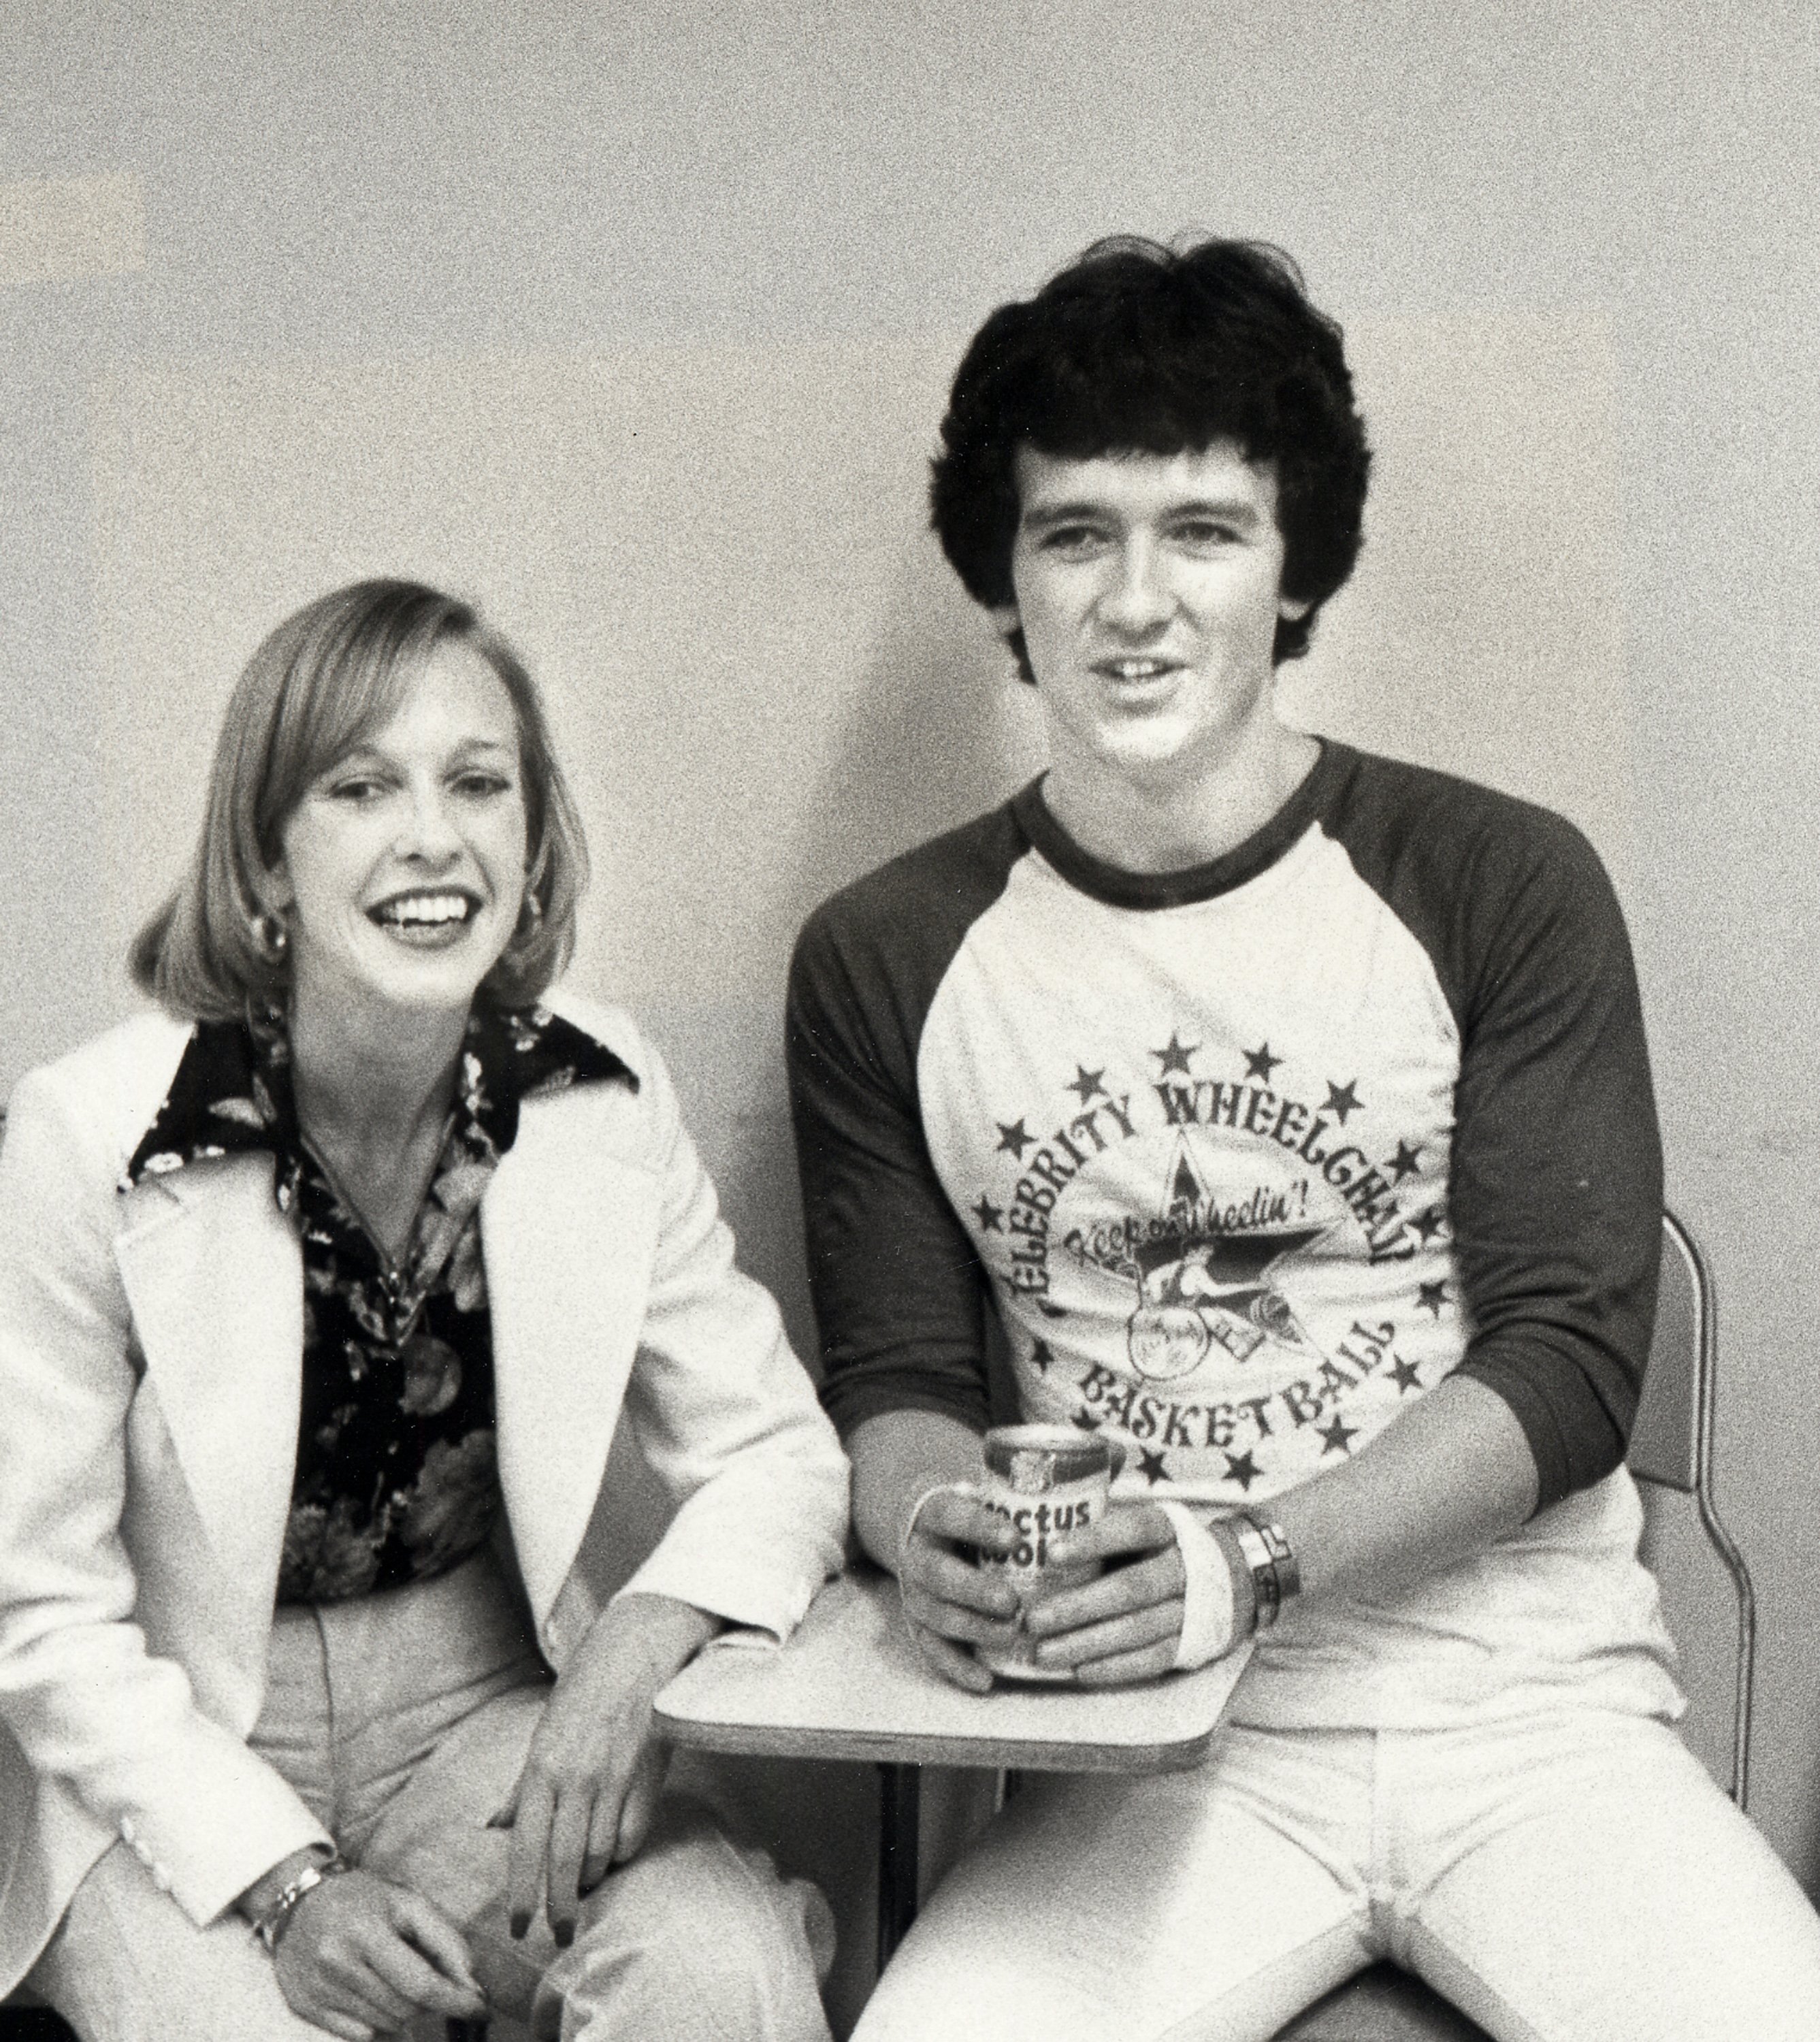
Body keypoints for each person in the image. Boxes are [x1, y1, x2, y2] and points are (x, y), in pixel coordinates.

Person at [785, 238, 1820, 2040]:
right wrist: (933, 1521)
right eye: (1073, 532)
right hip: (1160, 1761)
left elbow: (1574, 1365)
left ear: (1293, 573)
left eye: (1204, 529)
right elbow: (890, 1380)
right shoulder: (885, 954)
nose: (1134, 601)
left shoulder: (1495, 880)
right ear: (1006, 578)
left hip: (1530, 1723)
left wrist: (1241, 1563)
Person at [0, 579, 848, 2042]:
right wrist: (282, 1883)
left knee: (724, 1967)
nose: (432, 837)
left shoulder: (599, 1096)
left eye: (477, 784)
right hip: (180, 1742)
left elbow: (779, 1457)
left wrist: (639, 1645)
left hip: (478, 1702)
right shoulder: (92, 1135)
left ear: (530, 839)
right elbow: (44, 1608)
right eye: (358, 787)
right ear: (267, 860)